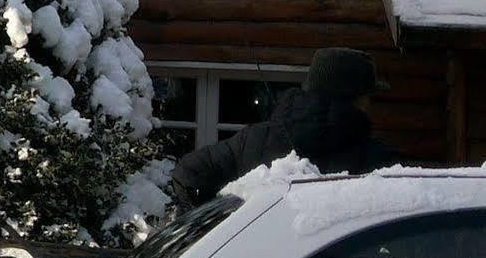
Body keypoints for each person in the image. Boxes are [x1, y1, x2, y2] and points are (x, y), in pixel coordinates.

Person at [170, 47, 400, 207]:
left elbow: (188, 174)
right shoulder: (377, 160)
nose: (370, 105)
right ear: (355, 98)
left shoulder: (256, 139)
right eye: (368, 97)